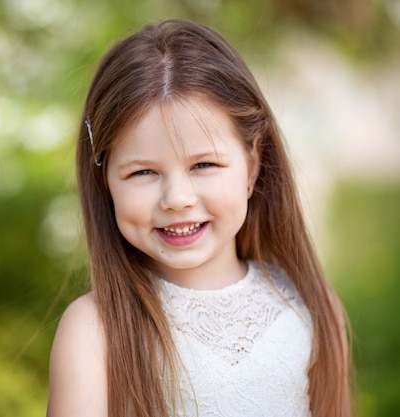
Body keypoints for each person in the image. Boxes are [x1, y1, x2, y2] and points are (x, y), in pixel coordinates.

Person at [46, 19, 354, 417]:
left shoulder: (309, 307)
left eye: (204, 164)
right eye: (143, 172)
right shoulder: (94, 331)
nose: (177, 199)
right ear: (105, 180)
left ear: (253, 164)